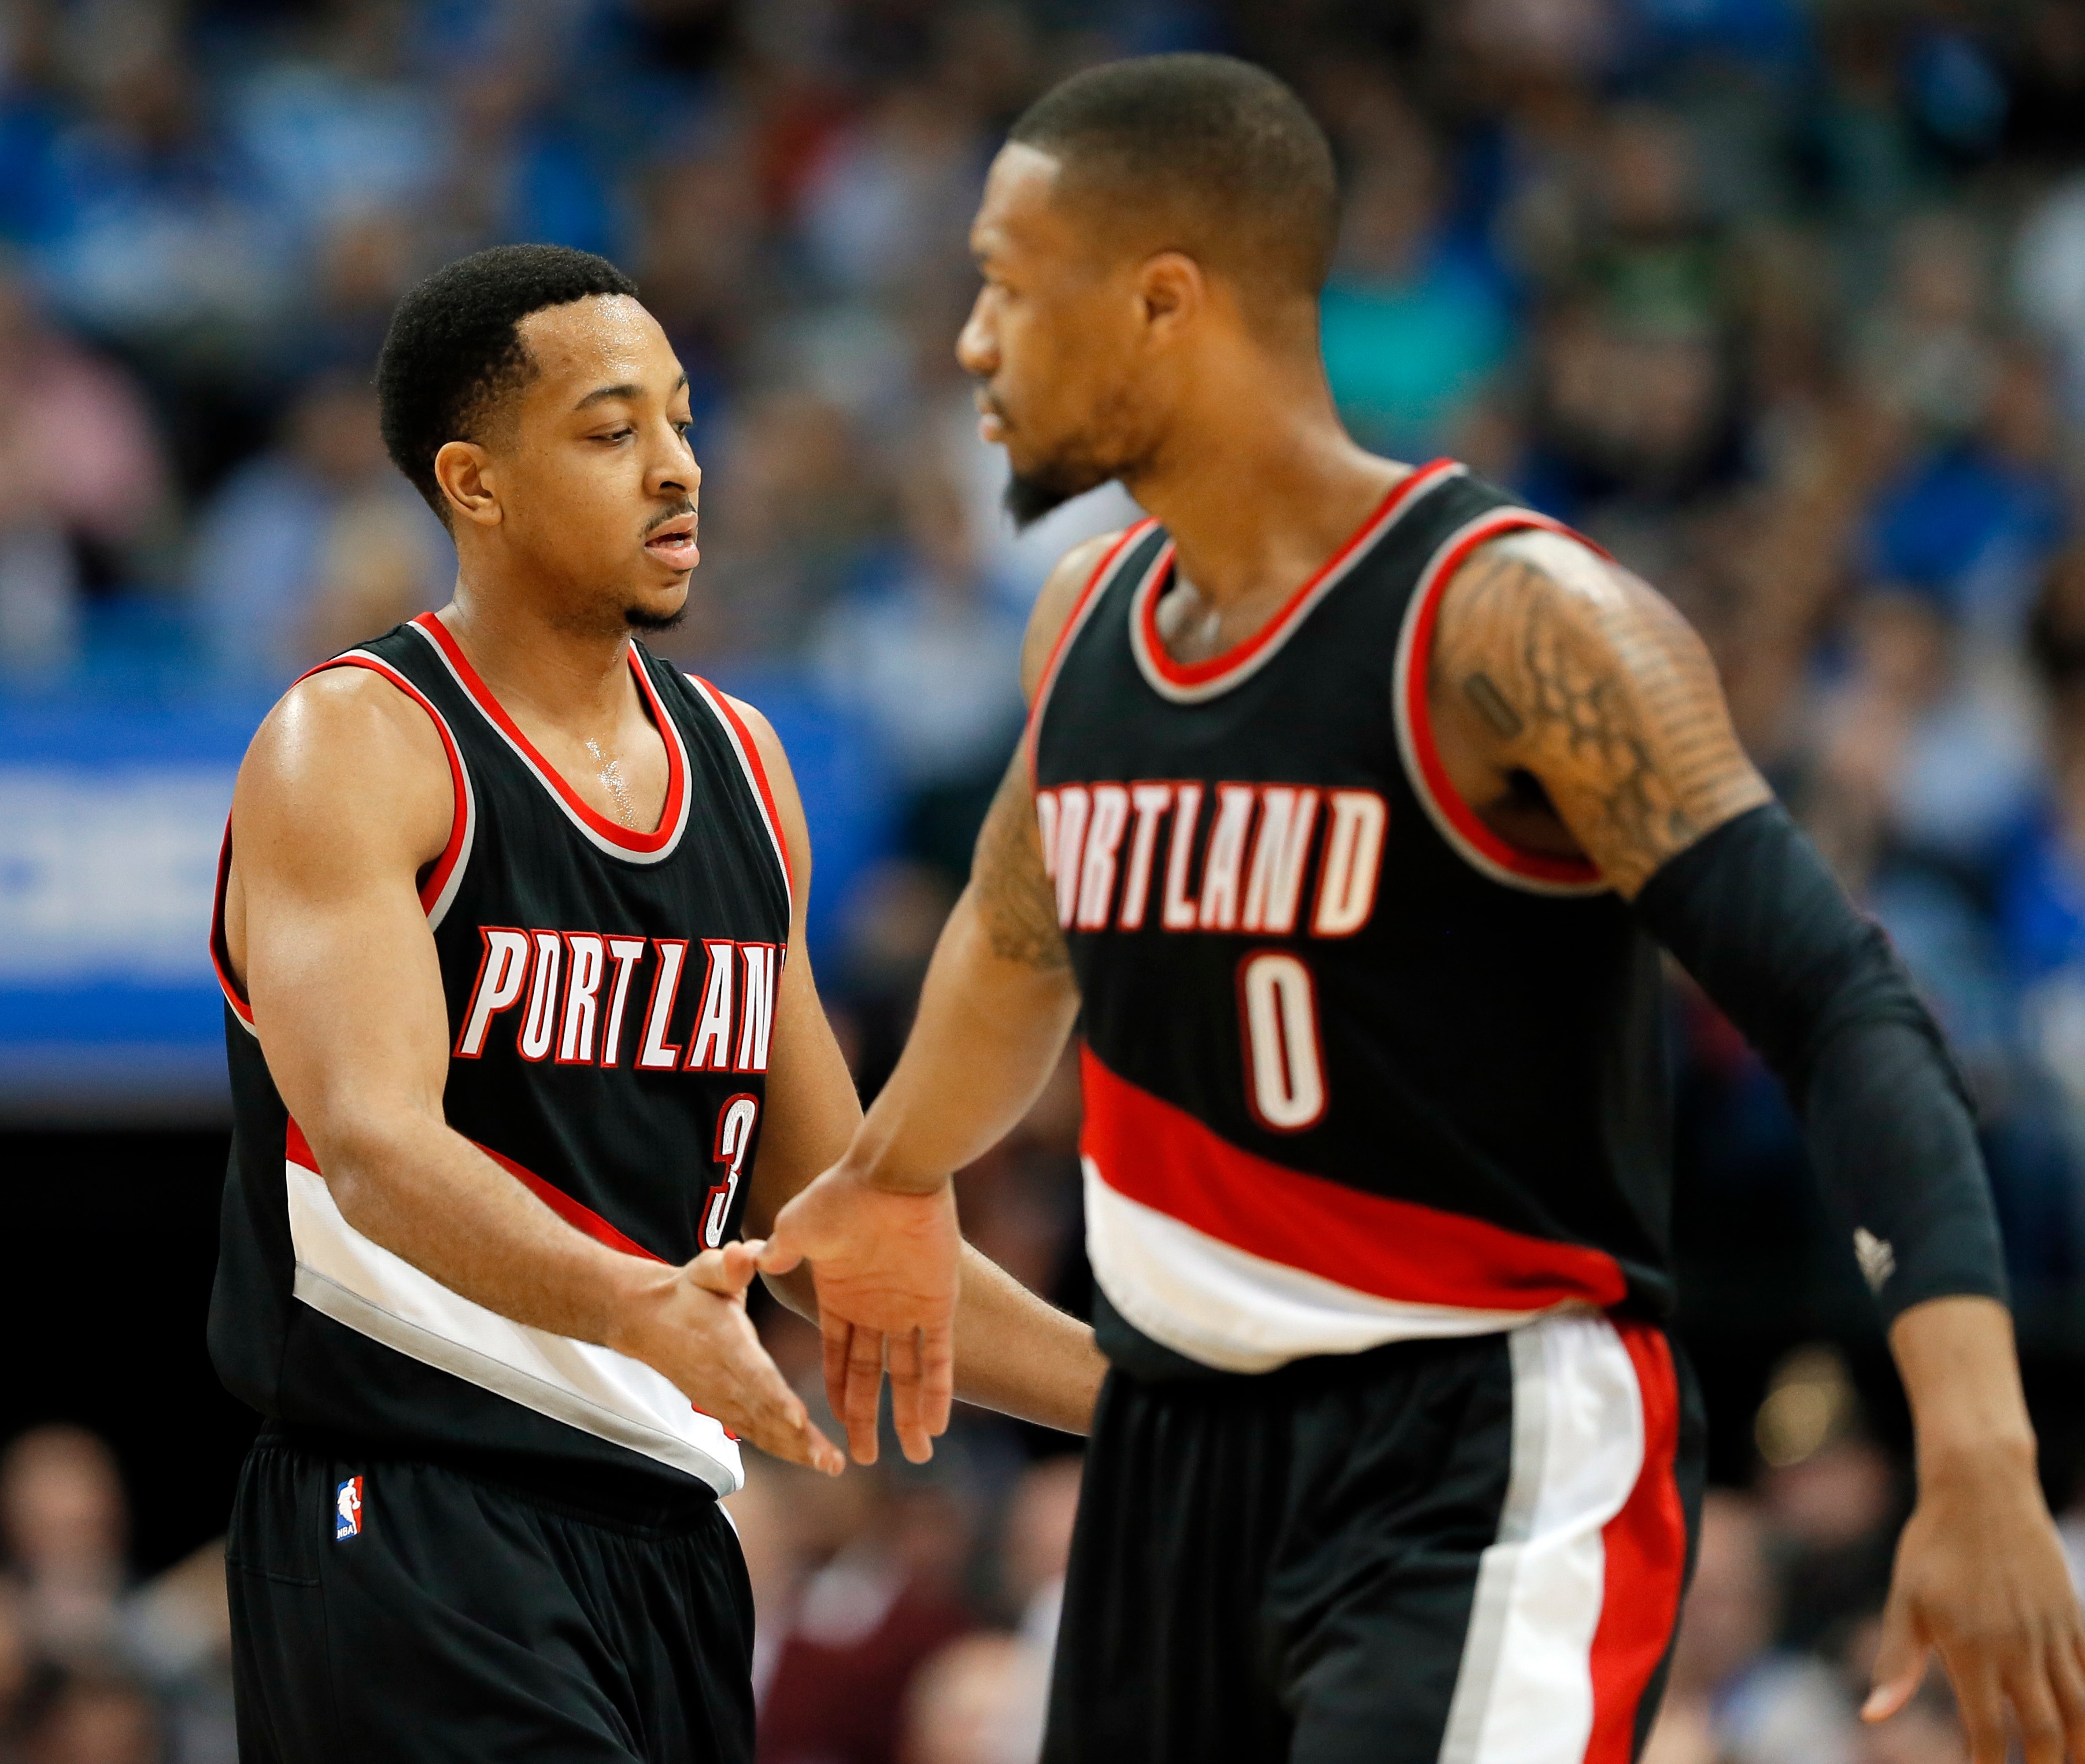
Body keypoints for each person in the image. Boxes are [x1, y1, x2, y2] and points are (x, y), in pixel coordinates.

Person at [763, 56, 2085, 1764]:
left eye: (1010, 290)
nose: (971, 345)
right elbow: (1021, 942)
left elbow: (1843, 1007)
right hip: (1177, 1457)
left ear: (1167, 300)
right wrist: (891, 1174)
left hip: (1476, 1443)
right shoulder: (1086, 627)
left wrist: (1978, 1445)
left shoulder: (1511, 626)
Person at [206, 244, 1103, 1763]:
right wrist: (642, 1304)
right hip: (412, 1510)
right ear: (475, 486)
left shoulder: (746, 767)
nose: (680, 468)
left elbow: (842, 1229)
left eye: (684, 420)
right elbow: (372, 1146)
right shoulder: (357, 742)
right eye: (613, 431)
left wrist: (1158, 1409)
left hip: (672, 1539)